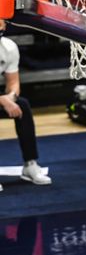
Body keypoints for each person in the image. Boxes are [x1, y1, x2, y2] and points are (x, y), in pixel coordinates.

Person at [0, 19, 52, 192]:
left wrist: (11, 97)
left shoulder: (8, 48)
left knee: (22, 105)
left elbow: (14, 84)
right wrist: (3, 100)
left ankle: (30, 164)